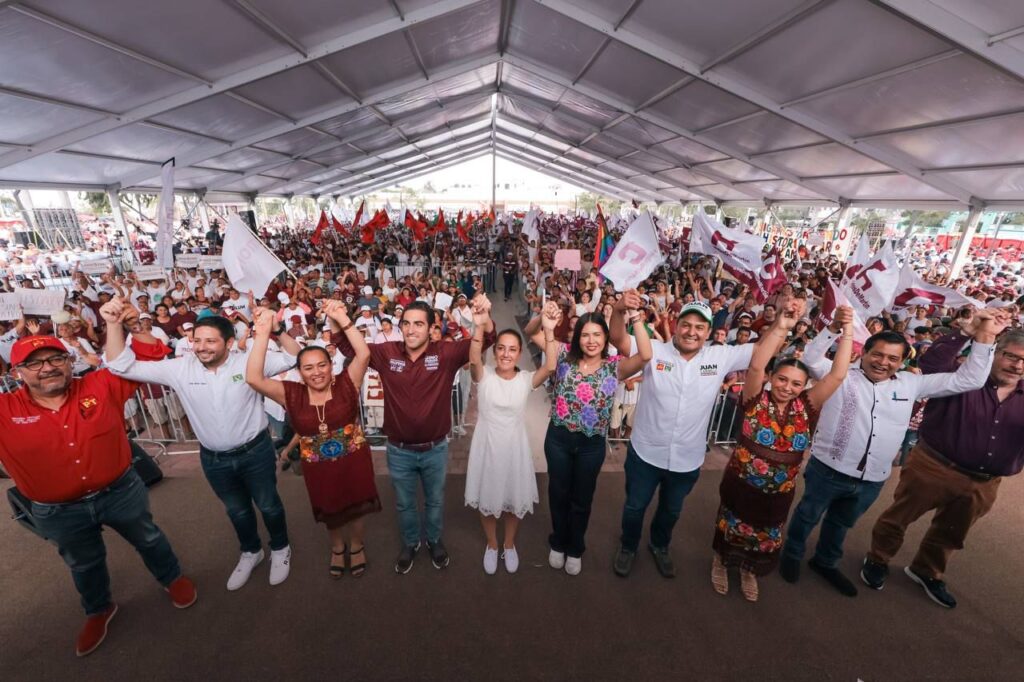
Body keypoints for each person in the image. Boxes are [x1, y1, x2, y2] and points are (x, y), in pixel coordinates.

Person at [780, 309, 1005, 597]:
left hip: (872, 479)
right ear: (865, 352)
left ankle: (825, 562)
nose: (883, 362)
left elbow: (969, 380)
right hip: (828, 469)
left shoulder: (913, 384)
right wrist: (834, 328)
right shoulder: (840, 375)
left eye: (892, 358)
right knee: (807, 516)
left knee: (841, 523)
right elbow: (810, 360)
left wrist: (984, 338)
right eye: (878, 354)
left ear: (902, 362)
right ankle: (792, 554)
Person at [0, 335, 196, 657]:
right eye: (34, 363)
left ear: (69, 362)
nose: (47, 368)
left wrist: (126, 324)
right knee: (83, 564)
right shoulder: (5, 410)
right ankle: (98, 609)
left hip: (121, 492)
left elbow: (148, 353)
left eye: (56, 359)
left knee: (148, 537)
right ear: (16, 372)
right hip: (58, 512)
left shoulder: (100, 385)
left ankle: (172, 577)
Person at [102, 296, 299, 592]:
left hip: (255, 452)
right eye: (197, 341)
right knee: (237, 511)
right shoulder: (180, 368)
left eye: (210, 341)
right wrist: (113, 324)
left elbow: (295, 356)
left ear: (230, 343)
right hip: (214, 460)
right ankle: (251, 552)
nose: (202, 347)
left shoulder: (249, 361)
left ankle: (281, 548)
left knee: (269, 505)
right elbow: (120, 366)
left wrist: (277, 326)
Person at [612, 296, 805, 580]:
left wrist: (783, 325)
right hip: (645, 453)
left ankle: (659, 545)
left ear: (708, 331)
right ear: (676, 326)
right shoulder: (652, 349)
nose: (692, 331)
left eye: (699, 327)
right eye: (686, 325)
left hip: (687, 459)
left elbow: (760, 352)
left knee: (671, 510)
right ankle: (628, 546)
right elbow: (618, 338)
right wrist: (619, 310)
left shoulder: (721, 355)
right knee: (634, 506)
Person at [861, 326, 1024, 608]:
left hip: (986, 482)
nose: (1017, 365)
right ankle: (877, 558)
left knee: (952, 532)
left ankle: (926, 571)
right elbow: (932, 362)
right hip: (934, 465)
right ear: (994, 352)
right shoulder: (963, 377)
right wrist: (966, 331)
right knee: (899, 517)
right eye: (1011, 356)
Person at [330, 297, 495, 574]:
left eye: (419, 324)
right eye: (406, 323)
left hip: (435, 450)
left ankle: (433, 540)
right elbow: (348, 346)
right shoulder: (386, 353)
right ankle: (410, 543)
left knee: (435, 501)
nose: (411, 330)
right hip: (399, 450)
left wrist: (484, 316)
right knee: (405, 504)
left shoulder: (446, 352)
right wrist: (336, 316)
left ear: (432, 328)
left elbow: (487, 338)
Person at [711, 307, 854, 602]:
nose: (787, 387)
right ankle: (721, 562)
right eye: (782, 379)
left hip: (778, 493)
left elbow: (838, 375)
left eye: (796, 383)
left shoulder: (808, 406)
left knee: (765, 536)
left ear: (805, 387)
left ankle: (750, 571)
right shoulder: (754, 399)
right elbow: (754, 368)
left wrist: (847, 330)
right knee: (730, 527)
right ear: (772, 377)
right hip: (741, 484)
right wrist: (782, 326)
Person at [246, 302, 381, 579]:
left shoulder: (347, 383)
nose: (316, 372)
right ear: (299, 371)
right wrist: (263, 333)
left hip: (353, 459)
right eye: (308, 368)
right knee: (329, 506)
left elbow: (364, 353)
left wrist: (342, 319)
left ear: (332, 366)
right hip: (317, 465)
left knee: (356, 505)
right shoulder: (291, 393)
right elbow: (253, 378)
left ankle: (356, 545)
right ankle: (336, 546)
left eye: (322, 365)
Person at [533, 291, 652, 576]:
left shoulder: (615, 367)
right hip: (559, 439)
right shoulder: (562, 355)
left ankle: (575, 547)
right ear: (577, 338)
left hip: (591, 445)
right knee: (558, 493)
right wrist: (545, 317)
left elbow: (646, 355)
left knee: (582, 498)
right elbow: (533, 332)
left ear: (606, 337)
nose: (591, 340)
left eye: (597, 334)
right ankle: (558, 542)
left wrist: (634, 316)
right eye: (585, 335)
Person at [465, 301, 559, 575]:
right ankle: (492, 545)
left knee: (514, 499)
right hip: (487, 446)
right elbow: (473, 359)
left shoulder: (526, 379)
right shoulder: (483, 376)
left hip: (515, 448)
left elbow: (551, 365)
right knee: (487, 498)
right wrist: (479, 324)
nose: (506, 354)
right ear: (494, 352)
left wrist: (549, 329)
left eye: (513, 349)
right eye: (501, 348)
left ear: (519, 354)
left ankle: (509, 544)